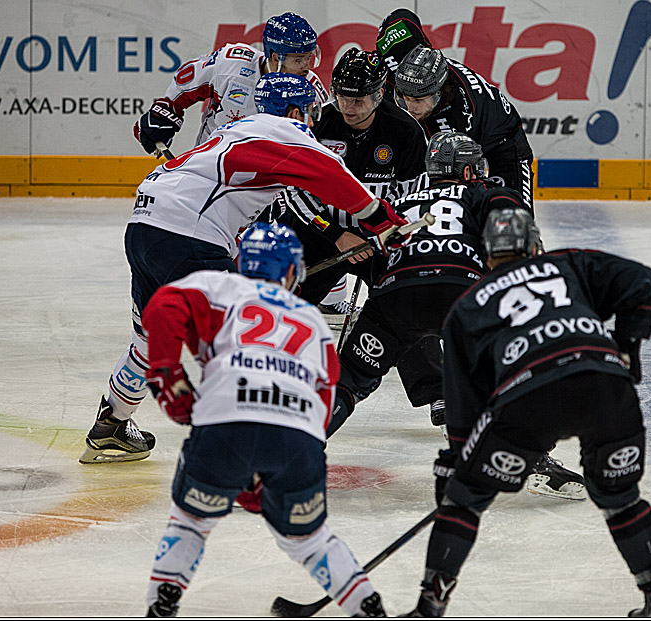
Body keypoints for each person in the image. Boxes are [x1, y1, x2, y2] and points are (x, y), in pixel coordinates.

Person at [80, 73, 412, 465]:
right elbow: (327, 175)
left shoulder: (240, 129)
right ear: (296, 110)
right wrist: (384, 220)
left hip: (145, 225)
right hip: (189, 234)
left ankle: (113, 423)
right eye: (310, 111)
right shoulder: (286, 133)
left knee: (150, 336)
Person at [405, 208, 651, 618]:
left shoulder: (468, 305)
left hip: (529, 399)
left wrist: (457, 468)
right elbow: (643, 282)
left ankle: (430, 605)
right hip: (604, 385)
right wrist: (627, 350)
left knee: (466, 502)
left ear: (488, 257)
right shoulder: (567, 263)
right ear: (535, 245)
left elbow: (462, 403)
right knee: (620, 497)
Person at [140, 223, 386, 618]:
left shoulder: (218, 287)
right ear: (291, 272)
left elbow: (162, 306)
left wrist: (167, 374)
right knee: (308, 539)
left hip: (225, 427)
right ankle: (367, 606)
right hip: (298, 441)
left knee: (190, 522)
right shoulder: (311, 318)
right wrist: (282, 461)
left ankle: (161, 606)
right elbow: (326, 394)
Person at [327, 132, 584, 500]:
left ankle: (290, 450)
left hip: (397, 300)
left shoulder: (399, 200)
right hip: (462, 295)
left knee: (349, 379)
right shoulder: (485, 193)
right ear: (467, 172)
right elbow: (514, 239)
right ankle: (535, 460)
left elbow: (373, 253)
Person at [280, 47, 427, 309]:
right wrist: (336, 234)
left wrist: (379, 233)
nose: (348, 107)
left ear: (379, 95)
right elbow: (294, 190)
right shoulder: (318, 123)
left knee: (405, 305)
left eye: (358, 100)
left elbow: (411, 197)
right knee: (286, 306)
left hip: (378, 240)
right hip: (321, 233)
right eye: (342, 97)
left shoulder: (406, 132)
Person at [375, 8, 536, 211]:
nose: (409, 107)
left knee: (512, 216)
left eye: (417, 100)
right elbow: (400, 17)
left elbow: (463, 180)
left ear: (438, 94)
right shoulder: (396, 61)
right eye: (403, 97)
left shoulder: (458, 116)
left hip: (503, 144)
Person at [133, 12, 329, 155]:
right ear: (276, 57)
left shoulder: (312, 90)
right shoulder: (232, 66)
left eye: (309, 58)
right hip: (212, 167)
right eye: (299, 59)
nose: (306, 67)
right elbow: (185, 81)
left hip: (272, 181)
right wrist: (163, 113)